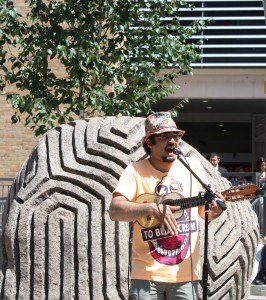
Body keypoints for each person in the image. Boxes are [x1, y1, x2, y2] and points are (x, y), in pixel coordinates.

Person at [109, 112, 225, 300]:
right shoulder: (135, 171)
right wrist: (151, 208)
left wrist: (215, 211)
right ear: (149, 142)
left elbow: (206, 214)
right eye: (164, 137)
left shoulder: (192, 168)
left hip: (186, 274)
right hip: (146, 274)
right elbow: (115, 210)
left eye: (175, 136)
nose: (172, 141)